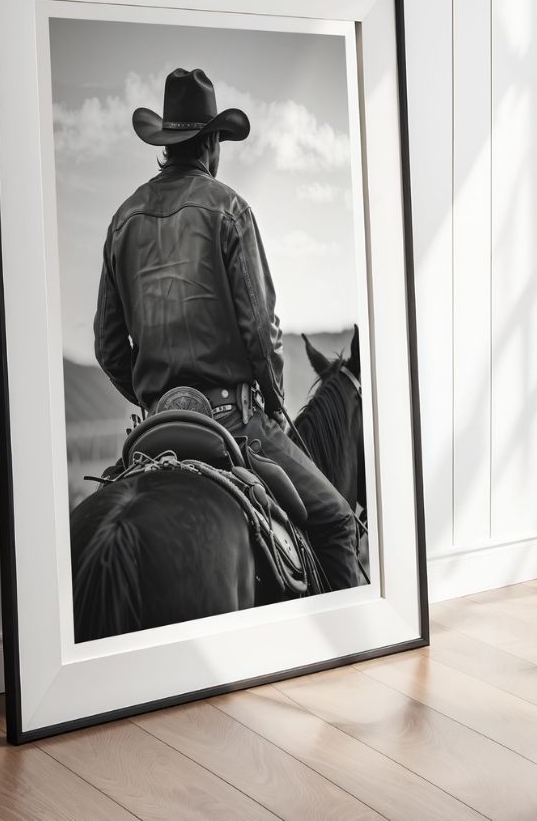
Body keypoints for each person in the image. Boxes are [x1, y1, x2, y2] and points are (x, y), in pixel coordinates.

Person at [93, 67, 360, 591]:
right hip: (231, 420)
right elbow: (260, 331)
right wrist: (273, 402)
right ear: (212, 144)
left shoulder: (123, 221)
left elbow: (108, 346)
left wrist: (156, 400)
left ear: (166, 143)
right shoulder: (230, 210)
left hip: (156, 426)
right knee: (336, 522)